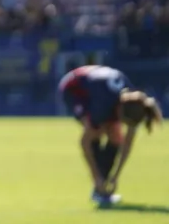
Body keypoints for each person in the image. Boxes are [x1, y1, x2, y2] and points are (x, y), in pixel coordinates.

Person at [58, 64, 163, 205]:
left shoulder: (135, 102)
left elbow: (127, 143)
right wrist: (96, 177)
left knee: (115, 135)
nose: (120, 123)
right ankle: (99, 188)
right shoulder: (102, 105)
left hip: (97, 90)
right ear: (119, 110)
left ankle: (102, 188)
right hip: (74, 89)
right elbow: (84, 142)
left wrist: (116, 176)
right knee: (96, 132)